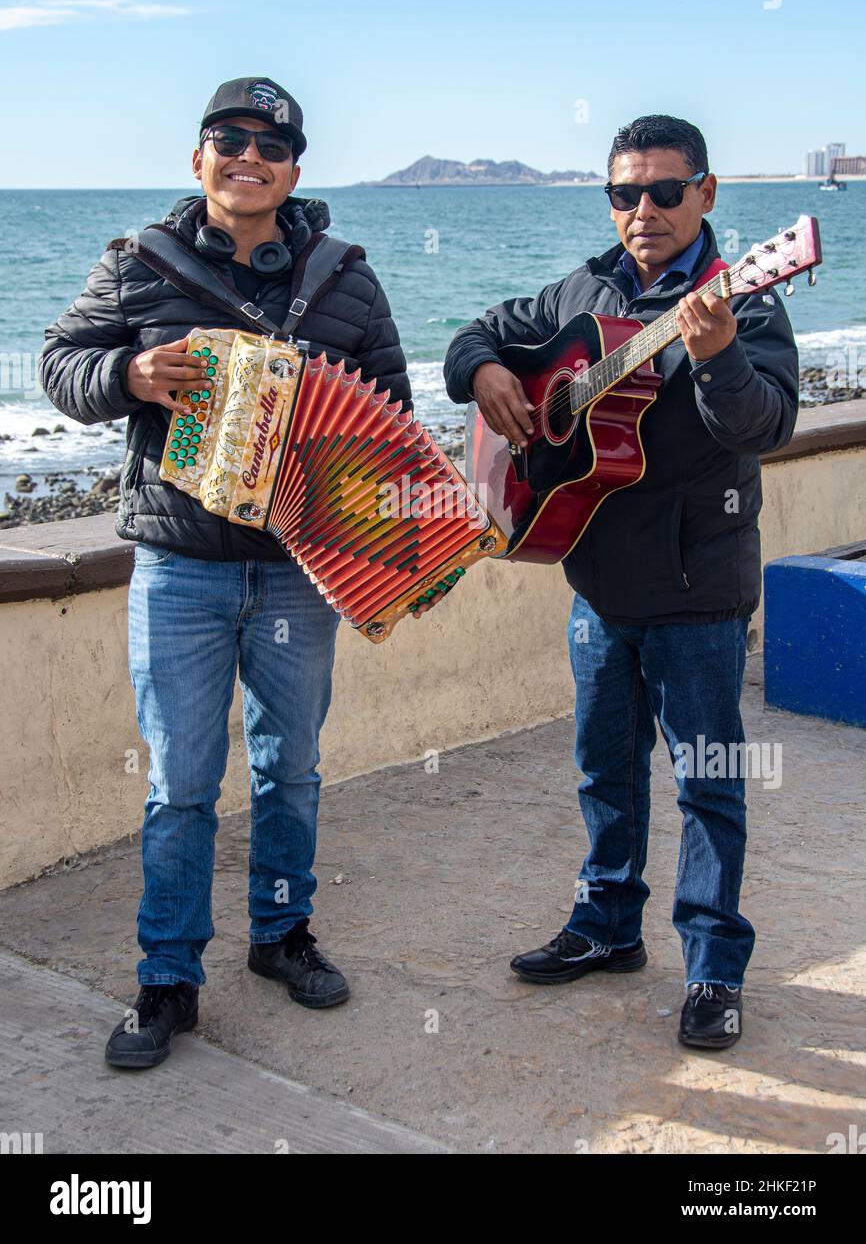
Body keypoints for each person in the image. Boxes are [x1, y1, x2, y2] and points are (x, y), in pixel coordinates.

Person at [40, 76, 412, 1068]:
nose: (248, 154)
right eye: (227, 138)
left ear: (294, 169)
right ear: (196, 158)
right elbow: (59, 363)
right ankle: (167, 979)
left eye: (270, 143)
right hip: (180, 566)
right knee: (180, 783)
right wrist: (128, 377)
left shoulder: (344, 280)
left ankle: (281, 936)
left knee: (290, 768)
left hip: (298, 572)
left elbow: (389, 418)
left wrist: (382, 530)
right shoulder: (137, 264)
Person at [443, 115, 799, 1050]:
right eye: (624, 193)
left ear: (707, 194)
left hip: (698, 586)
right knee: (604, 774)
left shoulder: (748, 300)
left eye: (665, 192)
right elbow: (473, 336)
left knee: (707, 785)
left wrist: (717, 352)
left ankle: (714, 969)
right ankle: (606, 926)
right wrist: (485, 371)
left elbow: (764, 425)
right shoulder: (582, 290)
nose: (643, 211)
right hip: (598, 583)